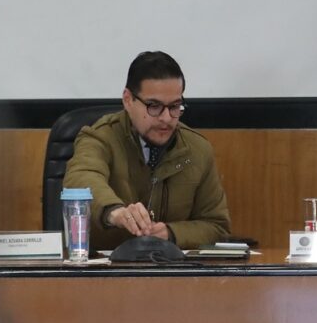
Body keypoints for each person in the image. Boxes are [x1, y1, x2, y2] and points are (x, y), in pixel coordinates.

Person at [62, 51, 230, 251]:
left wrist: (170, 233)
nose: (166, 118)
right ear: (128, 100)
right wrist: (115, 212)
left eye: (175, 106)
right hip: (106, 265)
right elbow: (82, 179)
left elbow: (217, 227)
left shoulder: (197, 150)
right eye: (154, 106)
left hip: (172, 267)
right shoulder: (99, 137)